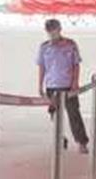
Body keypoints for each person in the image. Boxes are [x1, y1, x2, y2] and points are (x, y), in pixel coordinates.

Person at [37, 18, 90, 153]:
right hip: (51, 86)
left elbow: (76, 65)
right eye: (49, 31)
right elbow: (42, 67)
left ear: (59, 30)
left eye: (54, 30)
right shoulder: (44, 47)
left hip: (67, 85)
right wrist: (40, 85)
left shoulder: (70, 45)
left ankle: (82, 142)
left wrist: (75, 82)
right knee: (54, 115)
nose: (51, 33)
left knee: (73, 114)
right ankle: (60, 138)